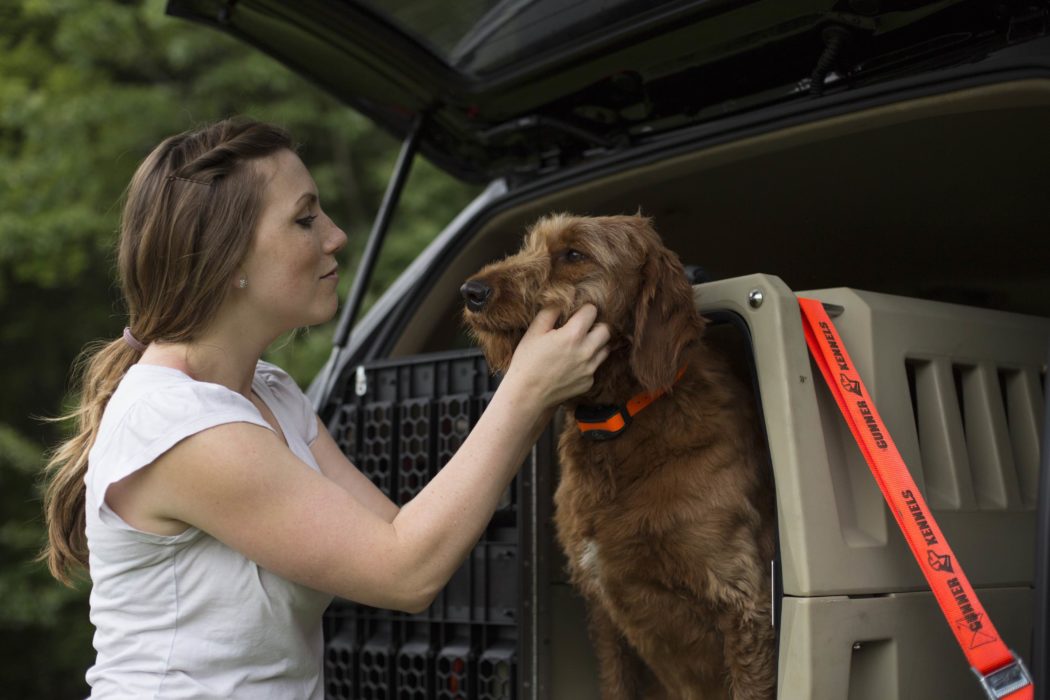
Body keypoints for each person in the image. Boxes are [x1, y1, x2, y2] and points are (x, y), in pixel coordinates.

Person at [41, 117, 611, 699]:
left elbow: (396, 533)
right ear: (227, 256)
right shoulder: (178, 425)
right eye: (305, 219)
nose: (336, 236)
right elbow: (406, 571)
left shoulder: (271, 392)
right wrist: (527, 391)